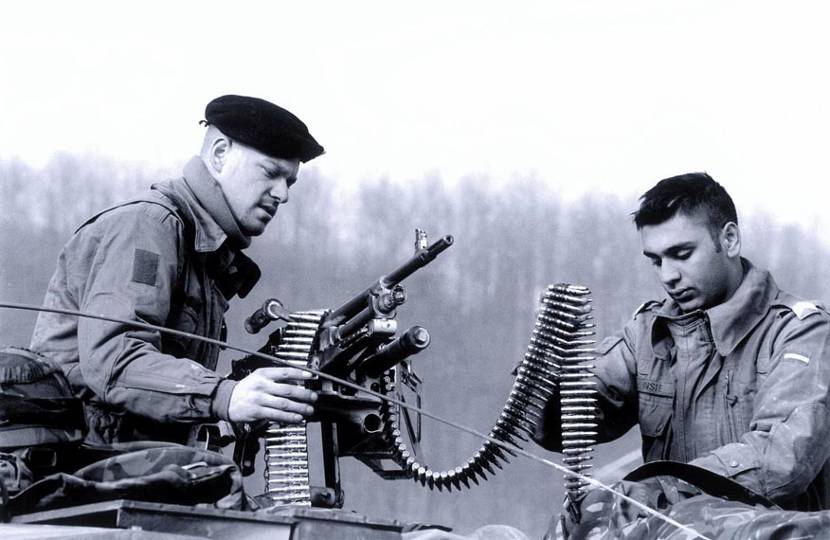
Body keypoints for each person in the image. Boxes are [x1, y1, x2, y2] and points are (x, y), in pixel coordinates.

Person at [29, 95, 324, 446]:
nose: (282, 194)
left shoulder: (203, 251)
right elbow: (116, 360)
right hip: (81, 465)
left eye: (290, 182)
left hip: (123, 460)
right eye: (271, 173)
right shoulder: (150, 226)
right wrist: (225, 396)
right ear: (219, 154)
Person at [534, 172, 830, 511]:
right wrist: (541, 380)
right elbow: (567, 421)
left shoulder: (801, 333)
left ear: (730, 239)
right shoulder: (649, 333)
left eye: (682, 254)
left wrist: (657, 491)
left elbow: (782, 459)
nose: (668, 276)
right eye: (656, 261)